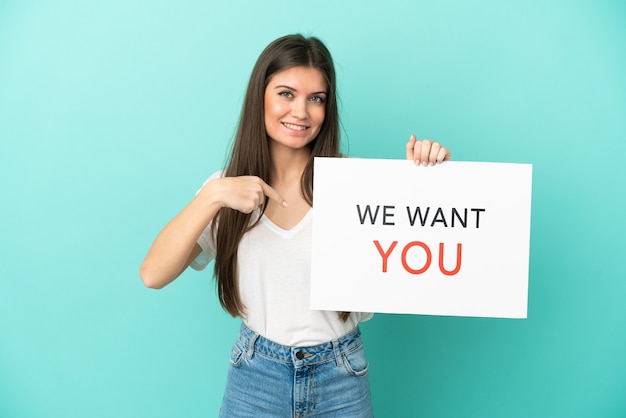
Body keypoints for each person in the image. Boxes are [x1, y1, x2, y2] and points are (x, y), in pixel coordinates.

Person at [140, 34, 450, 417]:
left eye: (316, 98)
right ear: (261, 97)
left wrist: (424, 180)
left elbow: (416, 252)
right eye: (286, 93)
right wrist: (212, 195)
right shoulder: (226, 189)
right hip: (255, 375)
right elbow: (153, 274)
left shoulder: (356, 184)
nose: (301, 112)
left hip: (342, 374)